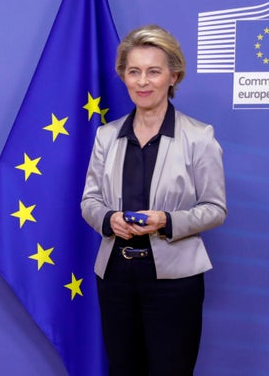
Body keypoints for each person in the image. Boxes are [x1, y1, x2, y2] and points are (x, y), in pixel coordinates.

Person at [81, 24, 227, 375]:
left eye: (153, 71)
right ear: (123, 76)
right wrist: (108, 220)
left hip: (175, 280)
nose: (142, 81)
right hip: (115, 275)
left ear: (173, 77)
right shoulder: (106, 135)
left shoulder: (198, 136)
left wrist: (167, 220)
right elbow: (90, 200)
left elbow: (215, 208)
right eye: (134, 71)